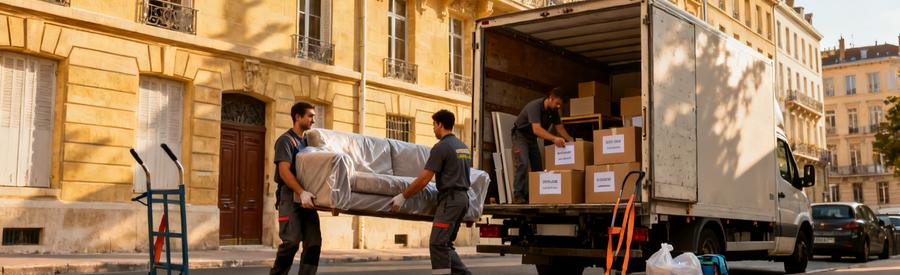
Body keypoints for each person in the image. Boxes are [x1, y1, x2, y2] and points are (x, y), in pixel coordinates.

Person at [389, 110, 473, 275]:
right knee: (445, 244)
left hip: (450, 201)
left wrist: (402, 196)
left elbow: (424, 178)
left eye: (433, 125)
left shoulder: (441, 147)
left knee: (437, 244)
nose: (433, 129)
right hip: (462, 200)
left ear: (440, 124)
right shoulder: (462, 147)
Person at [271, 102, 322, 275]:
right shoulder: (286, 140)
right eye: (310, 116)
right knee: (291, 242)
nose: (313, 120)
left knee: (314, 242)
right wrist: (301, 192)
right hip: (290, 195)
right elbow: (284, 172)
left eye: (313, 116)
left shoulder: (308, 142)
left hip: (308, 196)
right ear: (298, 117)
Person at [511, 87, 574, 204]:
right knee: (523, 163)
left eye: (560, 105)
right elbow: (537, 129)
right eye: (557, 103)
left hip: (532, 139)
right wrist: (554, 138)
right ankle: (518, 195)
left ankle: (534, 196)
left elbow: (559, 128)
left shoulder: (553, 111)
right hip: (520, 136)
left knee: (538, 168)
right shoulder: (534, 107)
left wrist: (572, 141)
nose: (559, 107)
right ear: (550, 98)